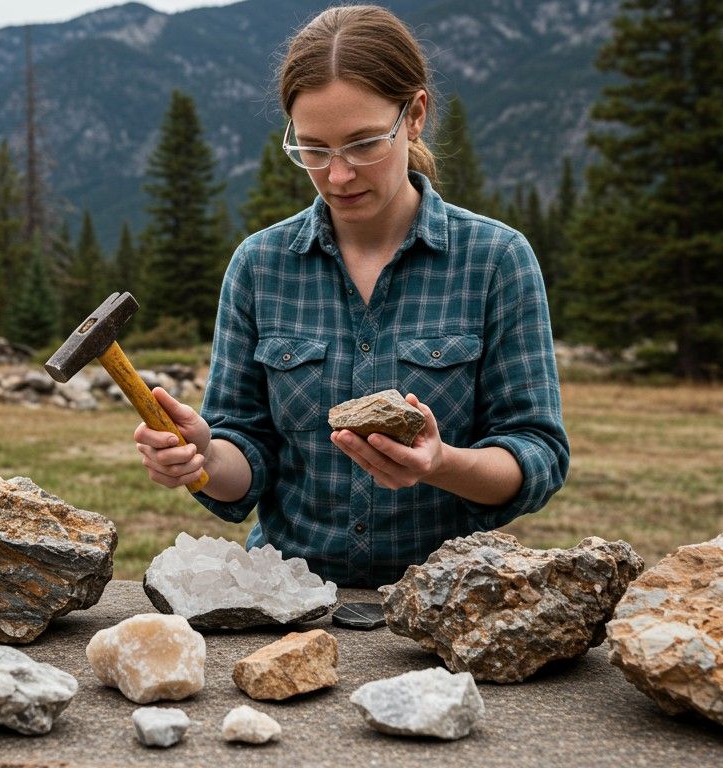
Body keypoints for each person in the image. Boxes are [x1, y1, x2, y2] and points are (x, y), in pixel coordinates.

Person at [134, 5, 569, 588]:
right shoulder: (260, 266)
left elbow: (536, 454)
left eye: (363, 144)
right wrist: (206, 458)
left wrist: (442, 465)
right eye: (313, 149)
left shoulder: (495, 260)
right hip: (288, 598)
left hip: (446, 601)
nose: (338, 175)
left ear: (413, 116)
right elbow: (247, 460)